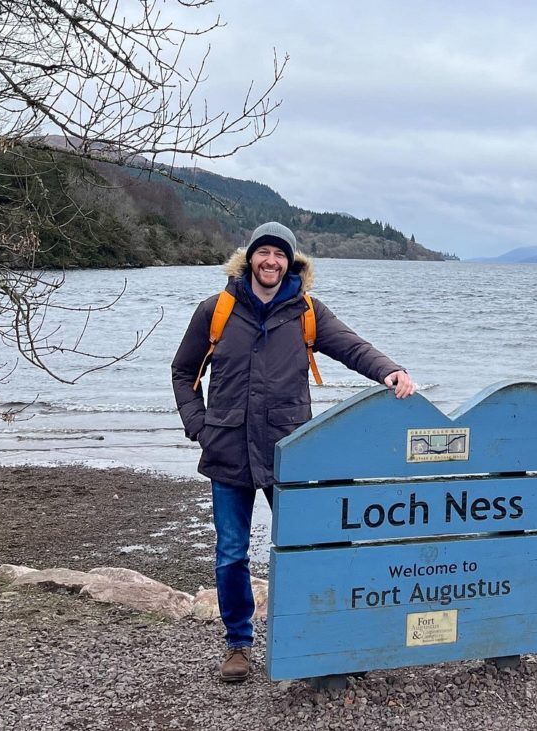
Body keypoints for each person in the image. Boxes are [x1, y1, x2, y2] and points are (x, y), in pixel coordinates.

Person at [171, 221, 415, 682]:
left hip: (290, 450)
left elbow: (353, 347)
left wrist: (391, 372)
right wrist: (198, 425)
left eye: (279, 255)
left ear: (292, 262)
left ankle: (320, 638)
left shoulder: (306, 311)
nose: (271, 261)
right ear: (249, 259)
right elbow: (184, 373)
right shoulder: (216, 310)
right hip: (227, 449)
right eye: (263, 253)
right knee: (231, 553)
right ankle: (238, 645)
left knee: (311, 547)